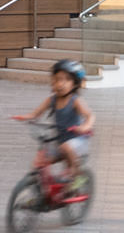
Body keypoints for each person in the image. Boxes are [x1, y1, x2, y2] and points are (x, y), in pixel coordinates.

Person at [13, 58, 95, 189]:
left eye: (66, 80)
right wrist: (25, 117)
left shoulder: (75, 101)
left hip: (77, 139)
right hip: (60, 140)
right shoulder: (51, 100)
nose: (60, 84)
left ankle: (77, 174)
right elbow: (36, 114)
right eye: (57, 79)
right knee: (42, 162)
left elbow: (90, 116)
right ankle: (42, 191)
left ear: (75, 84)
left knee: (65, 147)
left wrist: (85, 127)